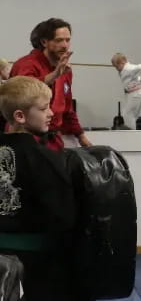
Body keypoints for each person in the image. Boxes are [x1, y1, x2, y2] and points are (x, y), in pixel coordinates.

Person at [0, 76, 77, 301]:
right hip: (34, 256)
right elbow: (63, 215)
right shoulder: (43, 158)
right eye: (44, 108)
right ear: (20, 116)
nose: (51, 113)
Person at [10, 18, 92, 151]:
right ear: (44, 42)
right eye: (59, 40)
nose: (65, 45)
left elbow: (67, 108)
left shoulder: (64, 70)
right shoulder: (26, 64)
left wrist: (81, 135)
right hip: (26, 140)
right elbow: (24, 95)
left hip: (53, 140)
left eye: (68, 40)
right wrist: (54, 75)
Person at [111, 53, 141, 129]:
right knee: (131, 115)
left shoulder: (128, 68)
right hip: (133, 95)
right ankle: (132, 133)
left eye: (116, 66)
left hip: (136, 95)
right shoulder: (124, 70)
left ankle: (131, 134)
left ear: (122, 62)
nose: (116, 68)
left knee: (127, 114)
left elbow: (138, 67)